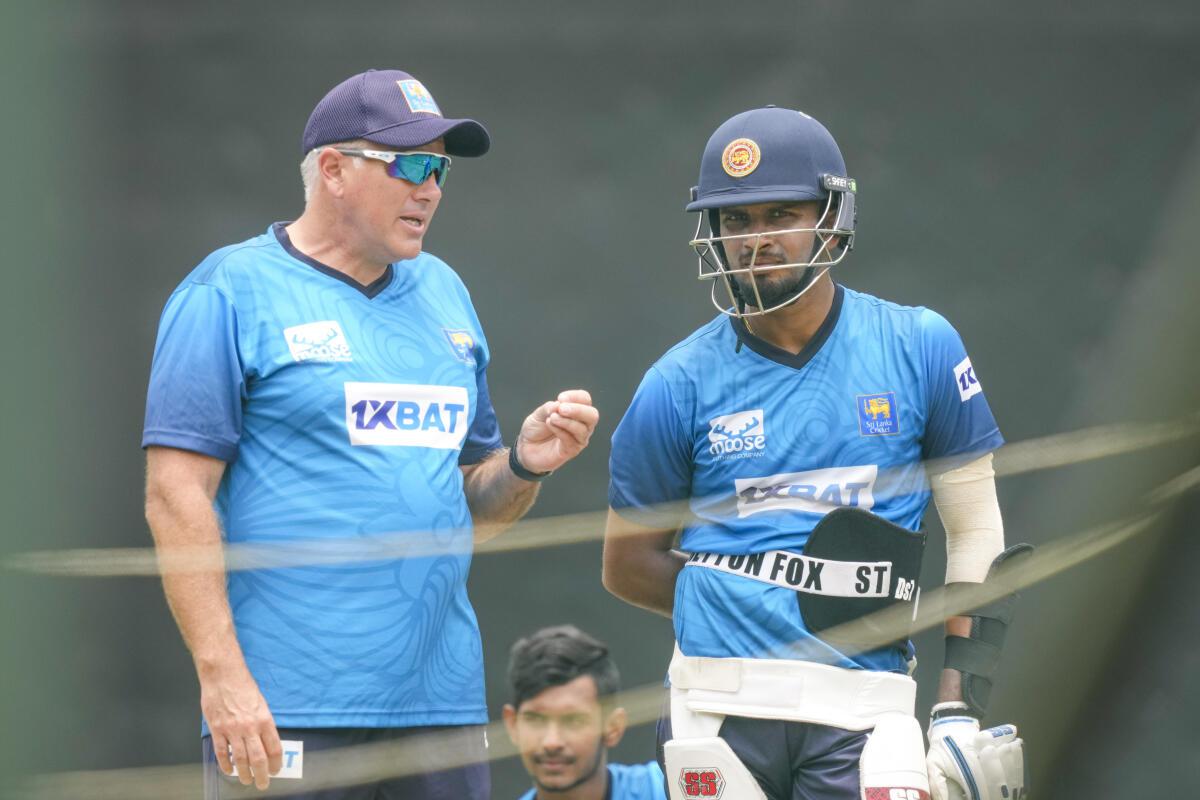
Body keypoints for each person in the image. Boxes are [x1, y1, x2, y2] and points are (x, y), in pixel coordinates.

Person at [142, 68, 599, 799]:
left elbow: (470, 508)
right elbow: (175, 496)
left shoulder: (445, 291)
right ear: (333, 171)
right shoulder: (227, 290)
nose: (432, 189)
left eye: (441, 170)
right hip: (286, 706)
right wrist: (222, 679)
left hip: (439, 710)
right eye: (412, 164)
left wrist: (524, 465)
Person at [602, 107, 1027, 800]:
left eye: (779, 214)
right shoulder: (675, 383)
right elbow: (626, 563)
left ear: (831, 215)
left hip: (868, 707)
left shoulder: (920, 345)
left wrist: (956, 705)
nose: (755, 239)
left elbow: (977, 528)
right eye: (734, 221)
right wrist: (749, 606)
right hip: (717, 707)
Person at [504, 626, 666, 800]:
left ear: (613, 727)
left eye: (574, 721)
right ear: (512, 724)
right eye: (535, 720)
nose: (552, 742)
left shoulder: (673, 787)